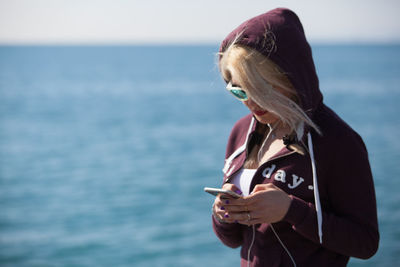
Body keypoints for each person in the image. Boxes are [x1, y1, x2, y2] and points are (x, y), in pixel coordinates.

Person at [211, 8, 379, 267]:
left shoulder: (338, 142)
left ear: (291, 75)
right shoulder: (241, 133)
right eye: (240, 91)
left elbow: (365, 242)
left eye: (260, 89)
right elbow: (233, 240)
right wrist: (223, 215)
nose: (251, 102)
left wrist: (291, 210)